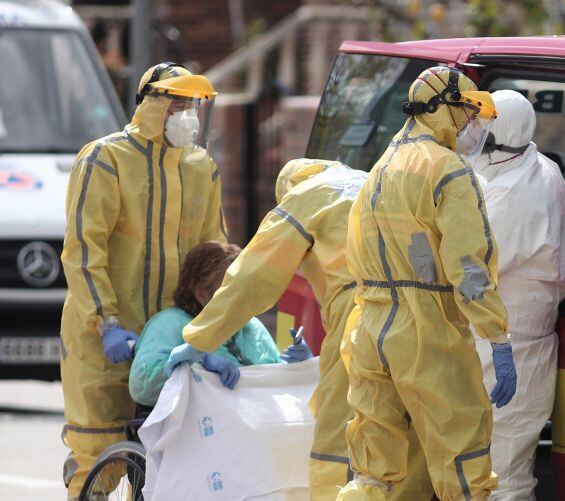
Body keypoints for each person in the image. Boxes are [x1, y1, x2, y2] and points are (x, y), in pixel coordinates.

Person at [167, 158, 433, 500]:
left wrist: (201, 337)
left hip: (363, 318)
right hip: (424, 315)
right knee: (411, 432)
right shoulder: (374, 183)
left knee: (337, 441)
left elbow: (253, 276)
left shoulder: (304, 197)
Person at [336, 66, 516, 501]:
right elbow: (469, 268)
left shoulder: (383, 163)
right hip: (426, 333)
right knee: (462, 462)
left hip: (369, 327)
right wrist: (497, 335)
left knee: (375, 472)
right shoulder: (447, 170)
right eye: (470, 112)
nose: (474, 125)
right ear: (445, 108)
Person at [59, 62, 224, 500]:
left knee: (164, 465)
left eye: (193, 104)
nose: (187, 113)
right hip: (108, 339)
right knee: (98, 454)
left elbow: (214, 253)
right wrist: (106, 322)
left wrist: (224, 323)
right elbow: (83, 248)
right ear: (152, 103)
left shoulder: (201, 168)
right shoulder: (106, 159)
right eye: (177, 102)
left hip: (169, 340)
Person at [469, 90, 565, 500]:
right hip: (516, 341)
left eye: (479, 124)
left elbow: (473, 268)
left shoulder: (511, 193)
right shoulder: (539, 167)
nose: (470, 131)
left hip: (510, 345)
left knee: (503, 475)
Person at [128, 241, 310, 406]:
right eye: (232, 290)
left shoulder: (251, 327)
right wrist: (193, 365)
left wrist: (296, 366)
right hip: (199, 434)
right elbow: (142, 387)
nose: (243, 297)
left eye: (245, 287)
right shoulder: (169, 323)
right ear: (202, 294)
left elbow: (272, 383)